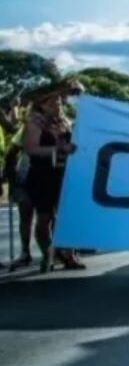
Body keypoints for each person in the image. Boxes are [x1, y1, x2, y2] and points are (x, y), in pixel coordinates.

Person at [20, 78, 83, 273]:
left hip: (64, 173)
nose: (58, 103)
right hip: (42, 174)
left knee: (66, 216)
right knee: (44, 218)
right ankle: (48, 253)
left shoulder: (65, 122)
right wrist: (58, 149)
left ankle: (69, 254)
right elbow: (31, 149)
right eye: (53, 101)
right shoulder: (34, 122)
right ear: (43, 104)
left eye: (59, 100)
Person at [2, 93, 36, 270]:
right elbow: (11, 148)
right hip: (23, 175)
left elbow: (11, 126)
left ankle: (55, 251)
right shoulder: (26, 129)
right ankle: (25, 252)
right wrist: (8, 177)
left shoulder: (58, 126)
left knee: (47, 216)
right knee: (26, 215)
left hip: (46, 177)